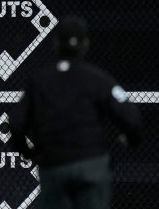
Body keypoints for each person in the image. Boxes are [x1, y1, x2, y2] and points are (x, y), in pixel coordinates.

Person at [9, 16, 141, 209]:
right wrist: (132, 140)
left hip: (55, 165)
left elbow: (16, 123)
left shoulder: (39, 81)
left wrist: (29, 152)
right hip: (91, 165)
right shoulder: (97, 78)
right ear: (85, 44)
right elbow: (131, 118)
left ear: (55, 44)